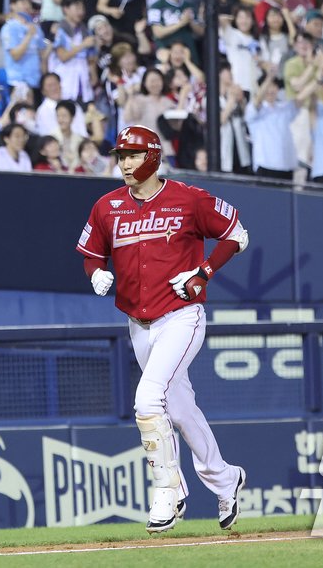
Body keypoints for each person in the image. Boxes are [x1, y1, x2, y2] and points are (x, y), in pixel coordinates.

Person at [77, 124, 248, 533]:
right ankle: (225, 477)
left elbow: (236, 235)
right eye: (121, 156)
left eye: (133, 155)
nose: (125, 163)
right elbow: (91, 252)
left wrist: (204, 271)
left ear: (152, 156)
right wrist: (95, 272)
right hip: (138, 322)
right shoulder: (107, 205)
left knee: (148, 399)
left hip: (181, 314)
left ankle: (168, 490)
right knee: (180, 409)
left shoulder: (188, 198)